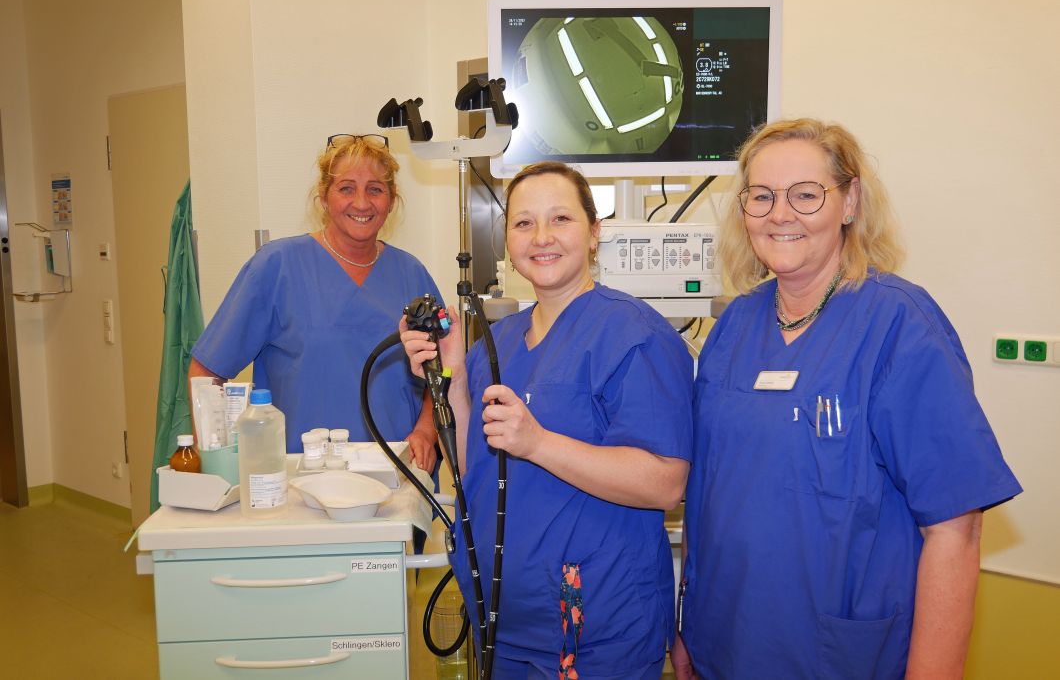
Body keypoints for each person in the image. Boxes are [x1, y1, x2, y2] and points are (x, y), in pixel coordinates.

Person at [672, 119, 1022, 679]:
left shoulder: (900, 325)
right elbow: (709, 492)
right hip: (725, 640)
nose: (780, 214)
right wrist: (688, 624)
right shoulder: (734, 325)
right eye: (760, 197)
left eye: (806, 195)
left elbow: (957, 529)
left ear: (850, 201)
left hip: (840, 654)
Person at [401, 161, 692, 679]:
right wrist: (452, 377)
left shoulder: (635, 336)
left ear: (595, 232)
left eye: (561, 219)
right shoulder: (500, 340)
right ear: (507, 239)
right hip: (505, 624)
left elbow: (665, 482)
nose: (541, 237)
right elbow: (475, 470)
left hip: (596, 630)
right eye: (523, 223)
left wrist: (538, 443)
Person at [189, 133, 439, 474]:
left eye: (376, 189)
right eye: (346, 188)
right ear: (323, 197)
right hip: (298, 477)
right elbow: (206, 372)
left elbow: (443, 373)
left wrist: (426, 428)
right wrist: (218, 466)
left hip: (395, 475)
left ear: (391, 200)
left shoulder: (411, 274)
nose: (362, 203)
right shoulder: (276, 267)